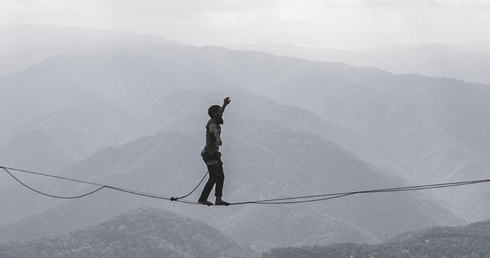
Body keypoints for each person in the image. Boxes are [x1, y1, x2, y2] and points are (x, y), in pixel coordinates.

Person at [198, 97, 231, 206]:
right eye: (219, 112)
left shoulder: (215, 120)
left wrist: (224, 105)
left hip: (215, 155)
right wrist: (218, 138)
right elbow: (214, 131)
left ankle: (218, 198)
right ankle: (203, 198)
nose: (221, 114)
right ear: (214, 114)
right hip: (209, 154)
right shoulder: (212, 124)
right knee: (213, 177)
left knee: (220, 177)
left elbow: (219, 114)